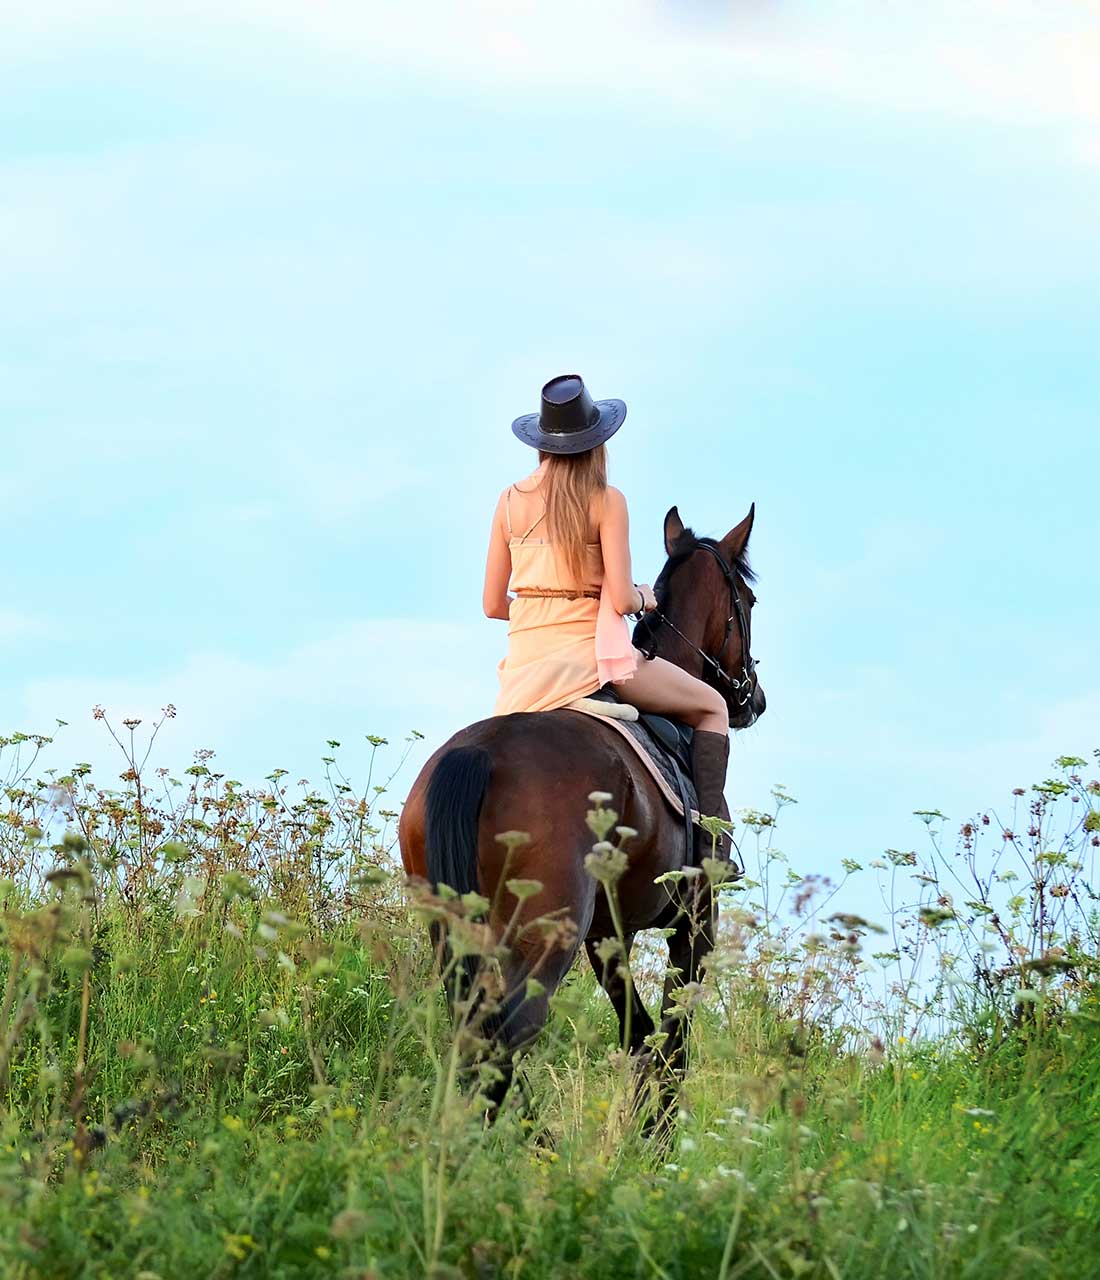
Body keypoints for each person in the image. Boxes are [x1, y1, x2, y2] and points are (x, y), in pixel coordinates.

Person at [483, 373, 730, 856]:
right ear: (597, 444)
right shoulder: (606, 501)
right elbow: (618, 601)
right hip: (591, 660)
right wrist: (645, 596)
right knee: (713, 707)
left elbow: (493, 605)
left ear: (541, 444)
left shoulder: (509, 501)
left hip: (525, 671)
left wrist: (540, 612)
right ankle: (711, 851)